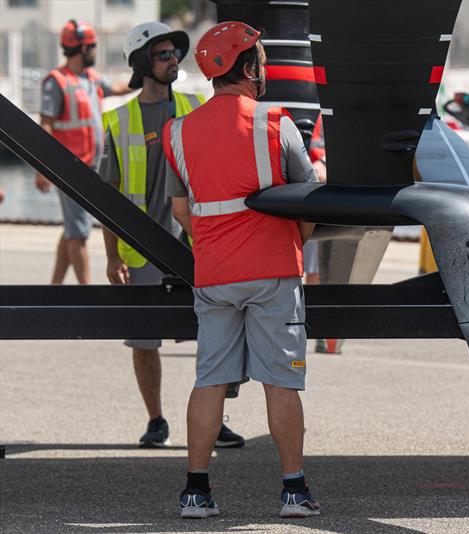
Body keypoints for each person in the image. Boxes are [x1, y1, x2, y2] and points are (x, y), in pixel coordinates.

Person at [162, 21, 319, 519]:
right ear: (247, 67)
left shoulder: (179, 130)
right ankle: (293, 491)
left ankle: (196, 492)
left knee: (209, 379)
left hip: (214, 275)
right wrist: (293, 242)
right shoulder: (277, 122)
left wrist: (211, 245)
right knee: (282, 381)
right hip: (273, 271)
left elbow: (180, 210)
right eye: (261, 59)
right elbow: (307, 201)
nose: (265, 66)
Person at [99, 21, 243, 449]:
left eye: (174, 53)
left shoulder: (197, 106)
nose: (173, 60)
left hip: (196, 245)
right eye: (163, 55)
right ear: (143, 63)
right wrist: (111, 255)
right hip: (139, 251)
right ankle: (156, 420)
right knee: (145, 341)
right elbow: (107, 195)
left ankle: (213, 421)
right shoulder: (118, 120)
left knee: (214, 336)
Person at [36, 20, 131, 285]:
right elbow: (45, 125)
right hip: (69, 168)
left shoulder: (91, 78)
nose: (95, 51)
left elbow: (118, 88)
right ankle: (86, 289)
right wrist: (42, 168)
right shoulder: (56, 82)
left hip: (91, 166)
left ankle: (55, 286)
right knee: (79, 232)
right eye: (92, 46)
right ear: (80, 48)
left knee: (72, 228)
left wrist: (143, 77)